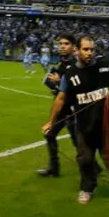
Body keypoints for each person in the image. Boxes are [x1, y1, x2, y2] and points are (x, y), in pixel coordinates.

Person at [42, 35, 109, 207]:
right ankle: (87, 188)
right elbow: (60, 99)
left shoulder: (104, 66)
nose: (89, 53)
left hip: (104, 124)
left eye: (92, 49)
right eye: (86, 49)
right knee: (85, 159)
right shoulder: (70, 73)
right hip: (83, 125)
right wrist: (51, 122)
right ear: (78, 51)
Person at [37, 34, 78, 177]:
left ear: (73, 47)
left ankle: (94, 168)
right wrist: (54, 84)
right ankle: (54, 168)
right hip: (62, 108)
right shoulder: (61, 63)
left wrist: (59, 81)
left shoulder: (77, 64)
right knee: (50, 134)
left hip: (74, 108)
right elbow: (51, 82)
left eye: (66, 43)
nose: (62, 46)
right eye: (60, 44)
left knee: (77, 141)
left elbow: (77, 86)